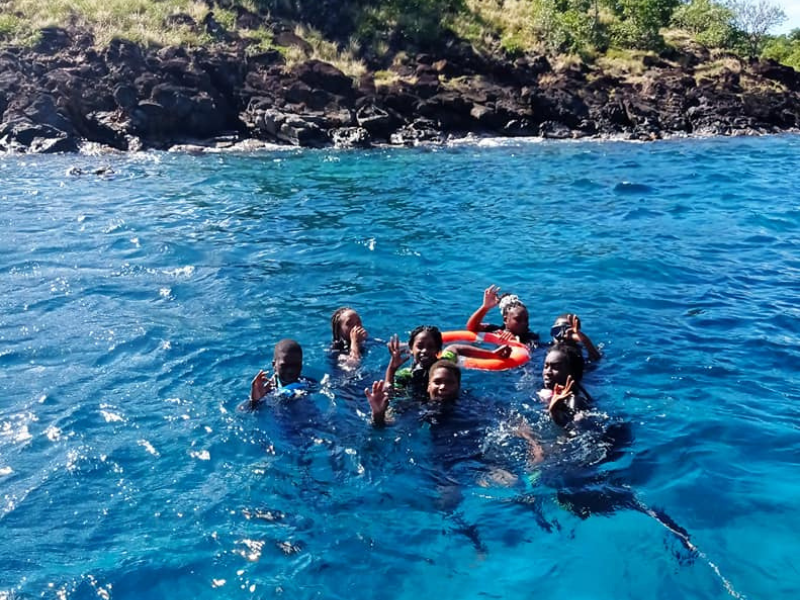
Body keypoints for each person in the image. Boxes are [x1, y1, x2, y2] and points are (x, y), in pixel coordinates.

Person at [366, 359, 461, 426]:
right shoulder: (415, 407)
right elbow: (389, 424)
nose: (443, 387)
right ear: (428, 386)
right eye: (437, 382)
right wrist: (378, 414)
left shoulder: (469, 408)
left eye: (449, 382)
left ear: (458, 386)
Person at [383, 325, 458, 397]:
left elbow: (454, 348)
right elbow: (389, 393)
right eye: (420, 346)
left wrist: (469, 351)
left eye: (430, 347)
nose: (425, 350)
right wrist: (392, 369)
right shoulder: (406, 375)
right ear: (411, 349)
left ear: (438, 349)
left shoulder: (446, 364)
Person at [244, 339, 316, 411]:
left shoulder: (308, 384)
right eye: (285, 366)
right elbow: (243, 411)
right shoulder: (268, 390)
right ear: (274, 365)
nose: (291, 370)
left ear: (301, 365)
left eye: (295, 365)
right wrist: (255, 401)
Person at [538, 343, 593, 427]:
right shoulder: (549, 389)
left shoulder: (575, 401)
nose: (547, 372)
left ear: (572, 372)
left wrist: (554, 412)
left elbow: (574, 433)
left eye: (556, 367)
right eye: (546, 366)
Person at [466, 285, 539, 347]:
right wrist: (485, 307)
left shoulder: (531, 337)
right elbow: (472, 327)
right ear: (505, 320)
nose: (524, 323)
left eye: (526, 319)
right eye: (518, 319)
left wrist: (515, 342)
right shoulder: (495, 331)